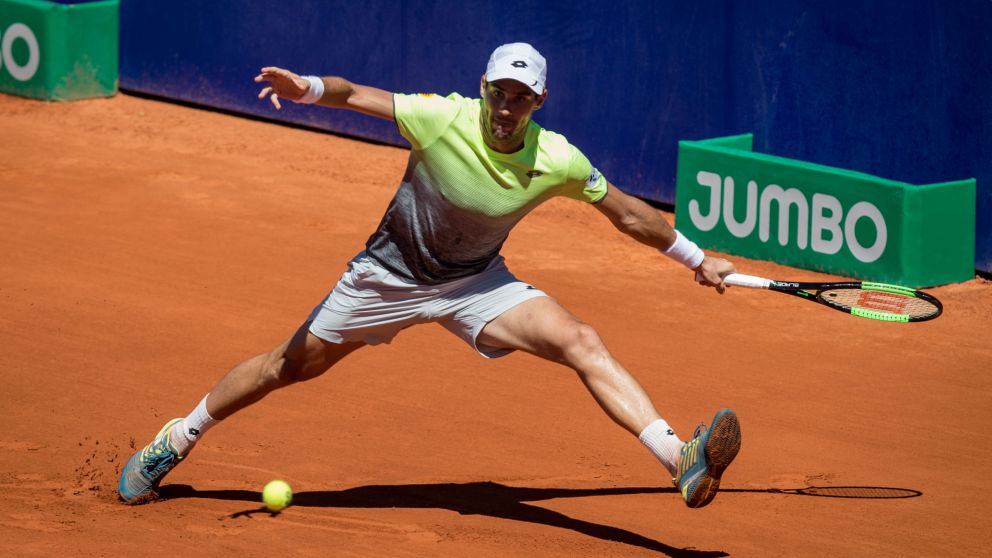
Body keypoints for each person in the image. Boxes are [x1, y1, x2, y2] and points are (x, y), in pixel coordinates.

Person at [118, 43, 741, 509]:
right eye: (498, 92)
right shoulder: (439, 116)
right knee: (286, 366)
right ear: (482, 88)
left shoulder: (557, 158)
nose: (505, 106)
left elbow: (630, 213)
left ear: (539, 102)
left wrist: (696, 258)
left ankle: (675, 458)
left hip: (475, 284)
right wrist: (304, 86)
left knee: (580, 340)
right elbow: (354, 94)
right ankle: (178, 437)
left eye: (520, 97)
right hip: (384, 278)